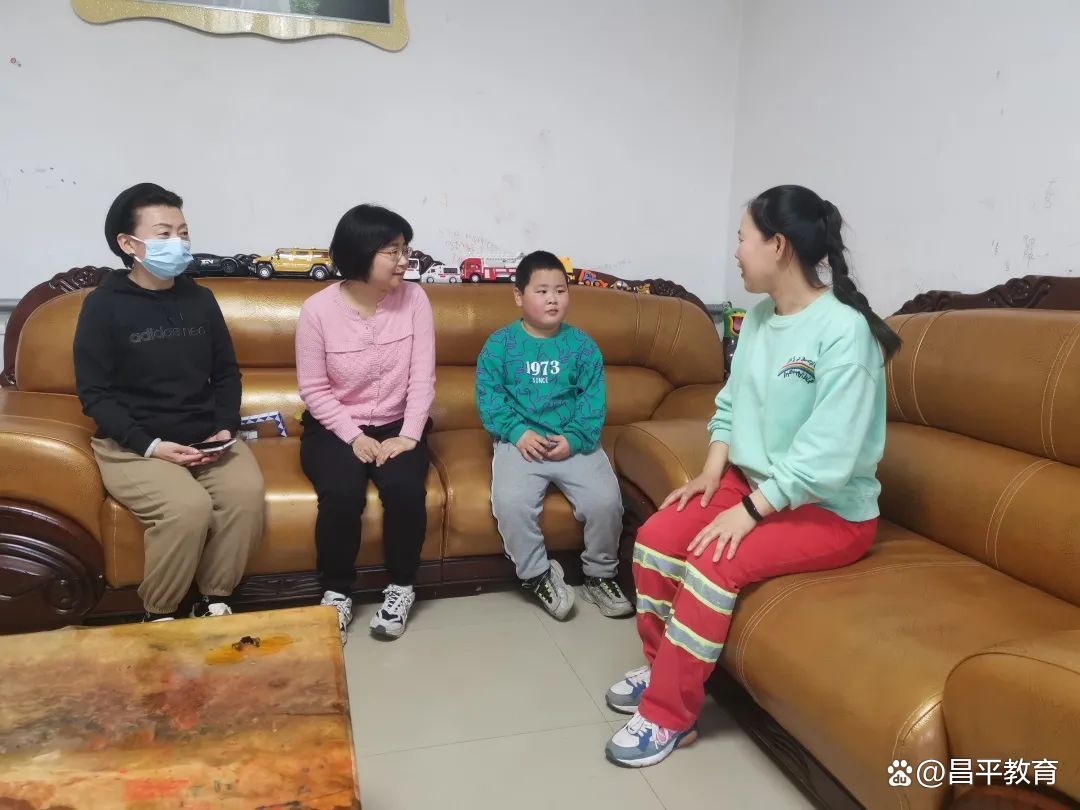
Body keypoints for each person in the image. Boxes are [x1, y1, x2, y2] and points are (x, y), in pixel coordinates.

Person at [604, 185, 902, 767]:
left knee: (714, 561)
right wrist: (712, 473)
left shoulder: (845, 334)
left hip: (830, 511)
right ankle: (664, 669)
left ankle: (670, 716)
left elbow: (827, 457)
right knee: (659, 536)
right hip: (755, 487)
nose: (736, 252)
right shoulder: (762, 318)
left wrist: (749, 511)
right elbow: (732, 402)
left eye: (742, 239)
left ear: (778, 245)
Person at [74, 183, 265, 622]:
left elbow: (227, 373)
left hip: (207, 436)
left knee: (246, 496)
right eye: (164, 234)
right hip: (134, 445)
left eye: (183, 232)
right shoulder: (103, 306)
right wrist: (151, 446)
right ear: (128, 244)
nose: (178, 243)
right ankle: (158, 613)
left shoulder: (200, 298)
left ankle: (214, 601)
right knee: (186, 509)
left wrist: (224, 427)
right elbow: (95, 395)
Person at [296, 204, 435, 643]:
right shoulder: (317, 311)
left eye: (405, 250)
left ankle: (402, 587)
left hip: (399, 423)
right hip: (335, 426)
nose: (403, 261)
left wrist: (409, 436)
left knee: (405, 490)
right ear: (360, 253)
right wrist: (353, 437)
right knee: (341, 494)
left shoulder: (415, 299)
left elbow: (422, 377)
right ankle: (336, 592)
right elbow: (314, 389)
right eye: (392, 251)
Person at [476, 251, 633, 621]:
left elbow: (593, 402)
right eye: (542, 291)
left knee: (606, 501)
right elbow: (489, 397)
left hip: (573, 441)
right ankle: (537, 575)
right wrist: (517, 432)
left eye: (560, 291)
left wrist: (575, 438)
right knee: (511, 503)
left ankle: (600, 575)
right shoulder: (499, 345)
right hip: (521, 442)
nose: (552, 299)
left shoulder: (582, 346)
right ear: (519, 296)